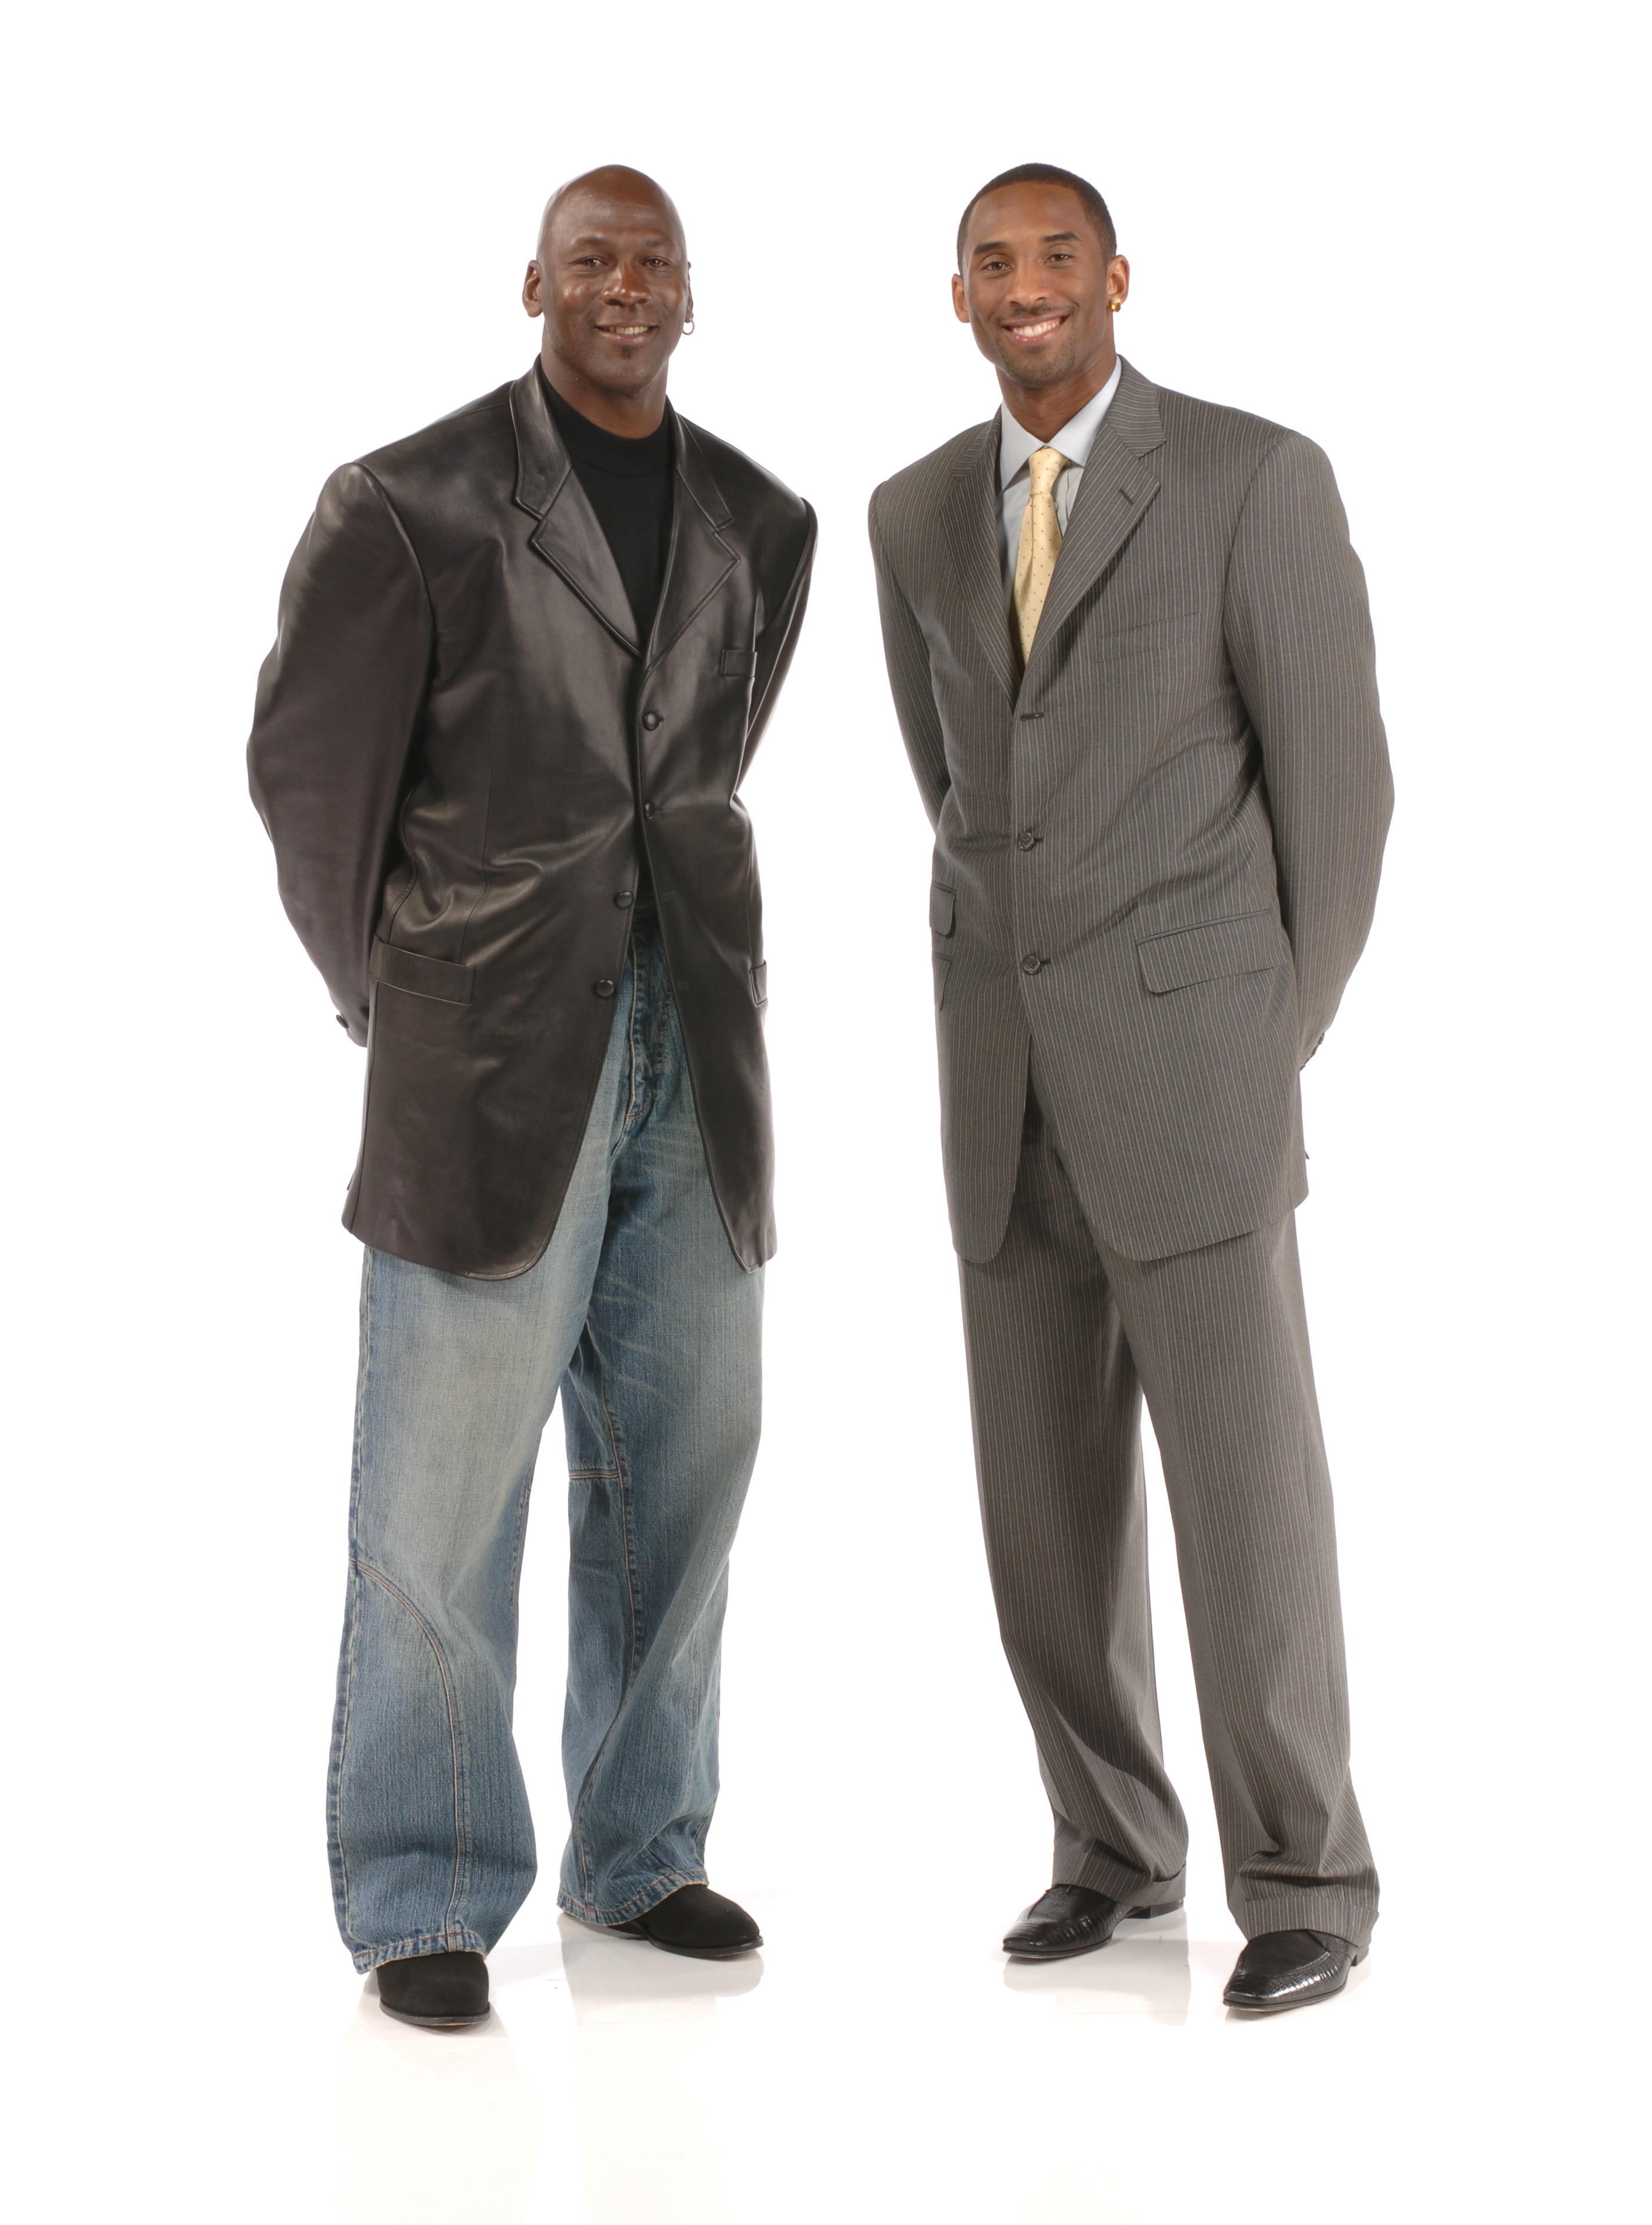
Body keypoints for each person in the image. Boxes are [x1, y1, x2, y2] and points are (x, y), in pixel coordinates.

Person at [248, 165, 814, 2028]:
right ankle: (422, 1888)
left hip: (695, 1047)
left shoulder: (759, 518)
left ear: (689, 294)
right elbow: (312, 785)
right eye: (593, 259)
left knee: (690, 1465)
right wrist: (400, 995)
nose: (625, 285)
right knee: (440, 1495)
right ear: (535, 286)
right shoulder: (408, 505)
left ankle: (645, 1853)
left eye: (654, 261)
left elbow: (700, 756)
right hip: (484, 1056)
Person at [869, 163, 1391, 2015]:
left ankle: (1309, 1880)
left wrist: (1264, 1046)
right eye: (994, 265)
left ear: (1116, 280)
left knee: (1249, 1502)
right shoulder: (914, 513)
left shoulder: (1256, 480)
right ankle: (1110, 1850)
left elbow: (1339, 803)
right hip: (1000, 1085)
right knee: (1048, 1511)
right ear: (960, 299)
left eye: (1058, 258)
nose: (1029, 290)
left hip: (1193, 1080)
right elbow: (959, 782)